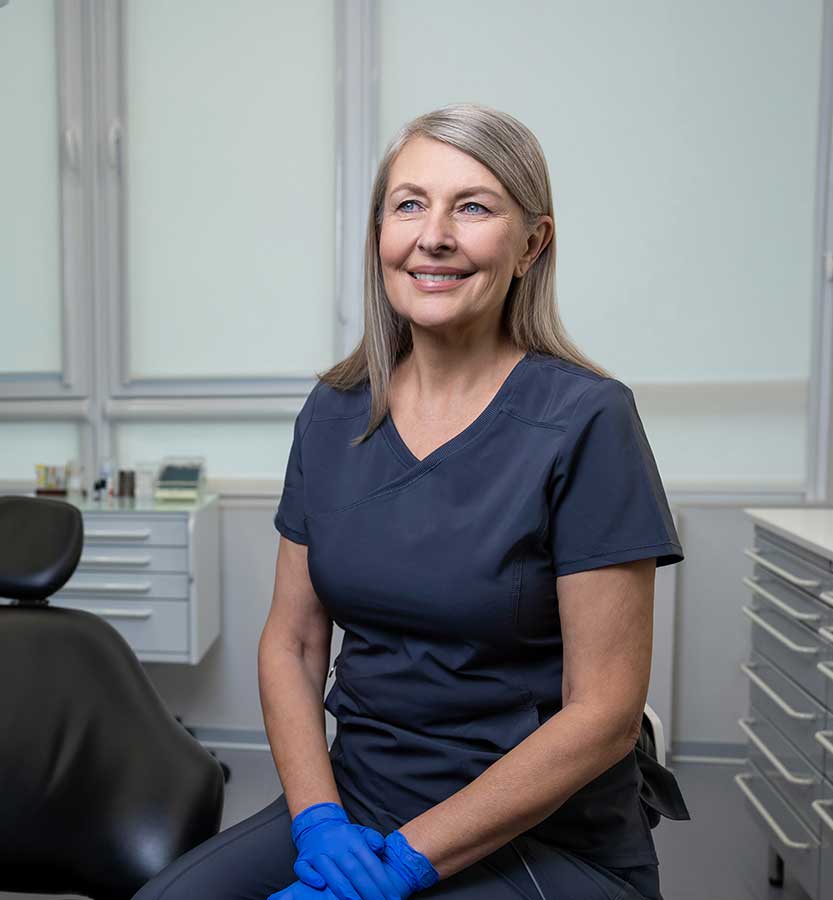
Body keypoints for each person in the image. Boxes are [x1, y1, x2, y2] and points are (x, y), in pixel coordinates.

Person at [131, 104, 686, 900]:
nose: (435, 236)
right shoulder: (333, 412)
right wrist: (318, 824)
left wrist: (404, 864)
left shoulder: (585, 421)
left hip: (540, 832)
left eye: (474, 206)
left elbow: (602, 714)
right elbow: (290, 642)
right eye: (410, 204)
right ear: (380, 235)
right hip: (358, 805)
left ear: (532, 244)